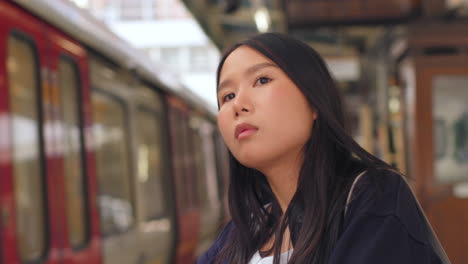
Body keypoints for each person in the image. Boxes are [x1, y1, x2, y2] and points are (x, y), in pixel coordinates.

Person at [197, 33, 450, 264]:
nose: (238, 104)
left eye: (262, 80)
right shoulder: (240, 233)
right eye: (227, 96)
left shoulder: (373, 198)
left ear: (314, 101)